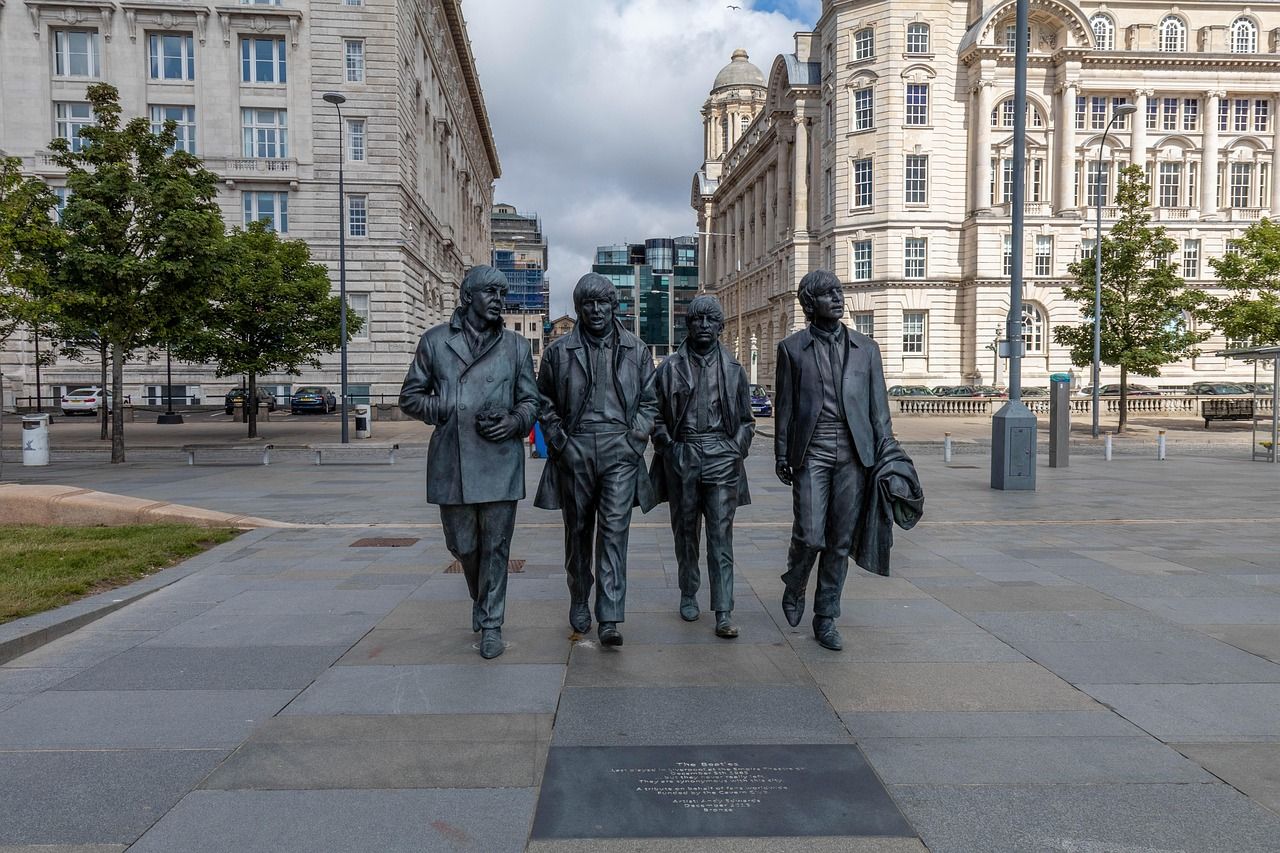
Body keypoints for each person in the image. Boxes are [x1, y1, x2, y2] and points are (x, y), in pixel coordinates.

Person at [399, 265, 539, 660]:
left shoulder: (516, 346)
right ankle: (482, 599)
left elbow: (532, 400)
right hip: (452, 460)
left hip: (499, 458)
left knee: (497, 546)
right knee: (462, 544)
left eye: (502, 293)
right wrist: (445, 406)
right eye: (491, 292)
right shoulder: (435, 342)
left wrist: (514, 421)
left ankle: (492, 623)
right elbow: (410, 397)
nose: (499, 300)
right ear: (467, 298)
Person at [774, 268, 894, 651]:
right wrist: (781, 453)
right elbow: (786, 408)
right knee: (810, 534)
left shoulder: (866, 348)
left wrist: (886, 454)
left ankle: (826, 616)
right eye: (828, 294)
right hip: (812, 450)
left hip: (855, 453)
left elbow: (879, 410)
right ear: (810, 304)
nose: (838, 298)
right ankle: (795, 581)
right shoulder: (791, 349)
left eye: (839, 292)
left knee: (840, 540)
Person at [534, 273, 657, 647]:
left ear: (614, 305)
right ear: (578, 308)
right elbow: (544, 403)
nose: (596, 310)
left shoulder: (637, 350)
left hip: (620, 451)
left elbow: (651, 403)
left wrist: (634, 439)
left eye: (603, 302)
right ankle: (578, 597)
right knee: (578, 533)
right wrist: (561, 443)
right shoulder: (558, 352)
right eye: (588, 303)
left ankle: (610, 615)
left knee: (614, 535)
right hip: (576, 449)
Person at [651, 295, 754, 639]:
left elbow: (746, 420)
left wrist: (734, 449)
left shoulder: (734, 369)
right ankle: (688, 591)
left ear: (721, 327)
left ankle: (724, 609)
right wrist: (668, 447)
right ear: (688, 325)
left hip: (721, 457)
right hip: (684, 454)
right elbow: (653, 411)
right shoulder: (669, 367)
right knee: (686, 534)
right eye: (698, 320)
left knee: (721, 537)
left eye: (711, 321)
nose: (704, 326)